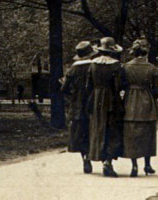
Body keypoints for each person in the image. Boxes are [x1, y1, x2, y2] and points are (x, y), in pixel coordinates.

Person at [121, 38, 158, 177]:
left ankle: (134, 166)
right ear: (145, 52)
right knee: (148, 133)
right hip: (146, 101)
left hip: (130, 101)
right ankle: (147, 164)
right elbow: (156, 90)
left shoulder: (126, 67)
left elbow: (122, 85)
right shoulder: (151, 68)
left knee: (131, 133)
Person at [86, 37, 125, 177]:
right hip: (110, 99)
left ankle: (96, 156)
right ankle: (108, 161)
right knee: (112, 129)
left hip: (96, 99)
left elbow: (88, 85)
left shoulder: (93, 64)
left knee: (97, 128)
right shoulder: (116, 65)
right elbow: (119, 85)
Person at [60, 41, 96, 174]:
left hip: (77, 105)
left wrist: (72, 95)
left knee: (80, 132)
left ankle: (85, 159)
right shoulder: (94, 66)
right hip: (93, 103)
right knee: (94, 130)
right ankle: (99, 157)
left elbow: (63, 89)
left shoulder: (73, 69)